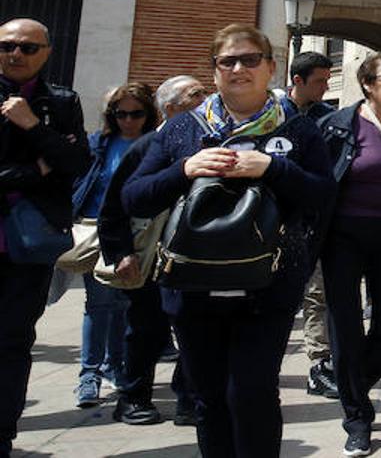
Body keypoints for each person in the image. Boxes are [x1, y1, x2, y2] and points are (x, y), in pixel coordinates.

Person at [123, 24, 335, 458]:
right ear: (215, 72)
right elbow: (134, 197)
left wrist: (272, 169)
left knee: (253, 393)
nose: (239, 68)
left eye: (250, 59)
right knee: (209, 397)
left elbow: (324, 196)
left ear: (271, 68)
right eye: (228, 61)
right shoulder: (182, 129)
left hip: (268, 286)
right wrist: (185, 169)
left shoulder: (299, 130)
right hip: (193, 284)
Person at [318, 53, 381, 458]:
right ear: (367, 83)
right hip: (342, 238)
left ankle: (353, 382)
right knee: (345, 327)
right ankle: (358, 419)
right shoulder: (337, 126)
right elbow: (319, 181)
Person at [0, 18, 91, 458]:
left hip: (30, 245)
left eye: (28, 48)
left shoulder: (62, 102)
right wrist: (33, 170)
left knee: (14, 340)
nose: (16, 54)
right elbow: (56, 161)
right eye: (7, 46)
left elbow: (76, 160)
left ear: (47, 53)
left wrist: (32, 125)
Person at [99, 74, 208, 426]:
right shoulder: (146, 148)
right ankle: (133, 397)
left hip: (194, 257)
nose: (205, 99)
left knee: (194, 331)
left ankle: (190, 399)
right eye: (196, 94)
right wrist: (120, 253)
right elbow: (114, 206)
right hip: (150, 258)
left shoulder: (208, 143)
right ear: (172, 107)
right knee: (146, 330)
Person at [72, 82, 159, 407]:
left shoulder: (154, 146)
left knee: (126, 306)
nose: (128, 120)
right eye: (120, 114)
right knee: (98, 305)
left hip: (140, 235)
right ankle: (89, 376)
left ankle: (115, 366)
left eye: (136, 113)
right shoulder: (99, 144)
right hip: (99, 231)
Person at [280, 51, 341, 401]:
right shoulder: (272, 116)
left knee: (318, 295)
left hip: (317, 223)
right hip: (277, 225)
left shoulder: (328, 118)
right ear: (298, 81)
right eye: (319, 80)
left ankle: (320, 364)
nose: (326, 86)